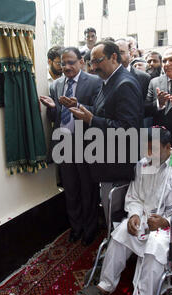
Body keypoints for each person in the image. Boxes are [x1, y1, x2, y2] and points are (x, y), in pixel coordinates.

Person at [76, 127, 172, 295]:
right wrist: (134, 214)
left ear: (168, 147)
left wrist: (166, 221)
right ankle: (104, 285)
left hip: (171, 226)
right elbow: (135, 196)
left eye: (154, 149)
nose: (149, 154)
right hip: (145, 218)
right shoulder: (145, 165)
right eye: (146, 149)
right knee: (121, 232)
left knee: (155, 245)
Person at [69, 41, 143, 227]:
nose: (93, 67)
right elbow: (104, 111)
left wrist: (92, 120)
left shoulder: (124, 83)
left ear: (114, 57)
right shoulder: (109, 80)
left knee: (117, 218)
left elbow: (128, 128)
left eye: (97, 61)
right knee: (112, 215)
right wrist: (79, 107)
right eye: (91, 62)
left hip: (118, 165)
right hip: (107, 163)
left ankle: (119, 250)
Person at [39, 47, 103, 246]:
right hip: (65, 145)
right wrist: (53, 108)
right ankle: (76, 228)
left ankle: (90, 229)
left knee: (88, 191)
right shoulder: (56, 85)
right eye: (63, 63)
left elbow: (100, 112)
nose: (66, 67)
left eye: (71, 62)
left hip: (86, 145)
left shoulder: (94, 82)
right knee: (71, 190)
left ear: (81, 62)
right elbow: (56, 117)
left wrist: (79, 106)